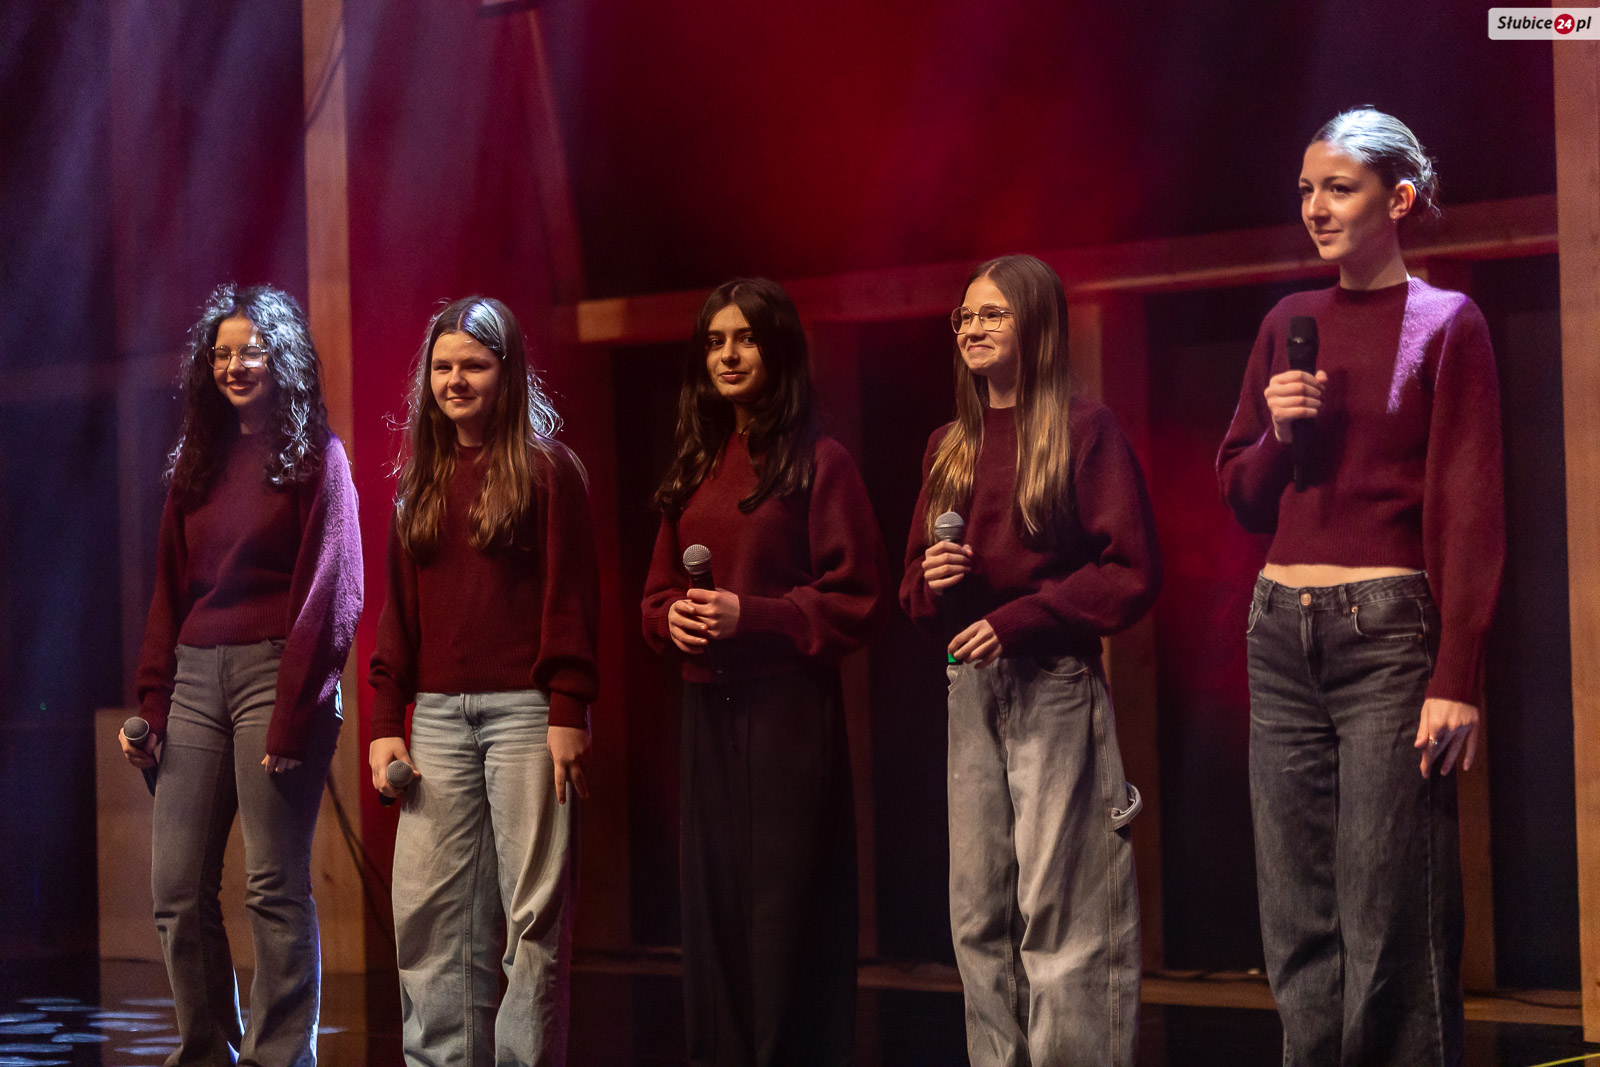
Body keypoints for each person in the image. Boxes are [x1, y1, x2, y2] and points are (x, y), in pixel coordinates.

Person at [1216, 108, 1504, 1066]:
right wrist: (1275, 432)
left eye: (1338, 188)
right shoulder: (1286, 325)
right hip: (1278, 628)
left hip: (1388, 633)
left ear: (1400, 198)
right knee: (1295, 911)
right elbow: (1243, 498)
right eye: (1307, 189)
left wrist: (1456, 673)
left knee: (1390, 907)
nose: (1316, 208)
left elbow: (1469, 507)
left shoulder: (1447, 323)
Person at [900, 253, 1160, 1067]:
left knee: (1065, 912)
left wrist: (1021, 619)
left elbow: (1129, 571)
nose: (973, 328)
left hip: (1053, 684)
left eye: (993, 314)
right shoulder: (948, 444)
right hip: (970, 688)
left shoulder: (1084, 430)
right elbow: (911, 590)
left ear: (1037, 325)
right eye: (965, 316)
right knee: (978, 915)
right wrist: (933, 578)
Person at [640, 278, 889, 1066]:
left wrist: (755, 614)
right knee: (713, 911)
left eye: (744, 338)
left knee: (786, 913)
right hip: (707, 711)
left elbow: (859, 598)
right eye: (715, 342)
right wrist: (670, 620)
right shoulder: (696, 463)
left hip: (788, 713)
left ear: (776, 348)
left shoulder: (821, 461)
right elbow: (654, 596)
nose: (728, 355)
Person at [125, 283, 362, 1067]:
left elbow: (333, 594)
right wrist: (153, 703)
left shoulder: (319, 457)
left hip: (275, 672)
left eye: (249, 350)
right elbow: (167, 594)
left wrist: (296, 710)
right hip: (196, 675)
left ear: (281, 356)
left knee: (272, 883)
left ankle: (279, 1056)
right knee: (176, 888)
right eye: (220, 353)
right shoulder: (196, 464)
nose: (233, 365)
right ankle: (204, 1050)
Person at [368, 296, 598, 1067]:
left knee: (532, 918)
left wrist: (568, 704)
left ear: (508, 372)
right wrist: (385, 721)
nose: (456, 379)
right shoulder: (419, 480)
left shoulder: (548, 470)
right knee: (429, 917)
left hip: (527, 715)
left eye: (474, 364)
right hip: (436, 717)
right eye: (443, 366)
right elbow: (397, 616)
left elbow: (572, 596)